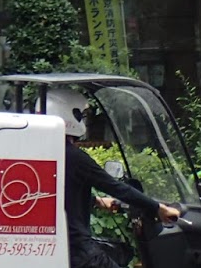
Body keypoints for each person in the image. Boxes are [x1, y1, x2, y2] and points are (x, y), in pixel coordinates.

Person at [44, 88, 181, 268]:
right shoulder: (75, 157)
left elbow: (55, 193)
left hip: (57, 249)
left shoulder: (44, 153)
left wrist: (96, 201)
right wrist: (158, 208)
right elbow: (116, 187)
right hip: (79, 252)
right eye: (81, 115)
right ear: (70, 116)